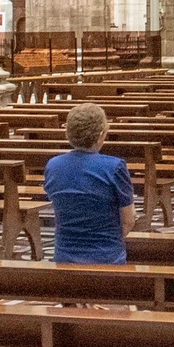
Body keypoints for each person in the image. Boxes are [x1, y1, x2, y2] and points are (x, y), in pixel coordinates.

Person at [44, 104, 136, 264]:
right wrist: (108, 242)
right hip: (107, 258)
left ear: (68, 133)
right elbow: (129, 219)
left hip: (64, 257)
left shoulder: (53, 165)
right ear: (101, 135)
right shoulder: (114, 167)